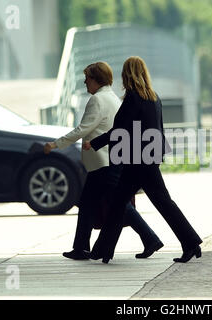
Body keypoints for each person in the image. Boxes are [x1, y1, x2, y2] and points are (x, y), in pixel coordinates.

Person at [84, 56, 203, 264]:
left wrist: (95, 143)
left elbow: (121, 130)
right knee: (135, 203)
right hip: (149, 159)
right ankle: (103, 250)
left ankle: (103, 250)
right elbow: (159, 128)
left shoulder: (133, 98)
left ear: (126, 75)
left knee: (122, 203)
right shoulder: (153, 96)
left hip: (136, 161)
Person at [44, 61, 163, 260]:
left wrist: (55, 145)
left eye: (87, 79)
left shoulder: (97, 100)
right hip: (109, 159)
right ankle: (82, 247)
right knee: (90, 203)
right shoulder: (113, 97)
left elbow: (83, 129)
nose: (85, 83)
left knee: (118, 204)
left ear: (96, 79)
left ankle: (149, 238)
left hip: (102, 161)